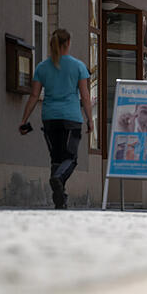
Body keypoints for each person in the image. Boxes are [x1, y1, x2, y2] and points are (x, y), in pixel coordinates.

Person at [19, 29, 93, 209]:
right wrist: (90, 120)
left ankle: (60, 200)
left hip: (50, 118)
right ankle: (58, 180)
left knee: (56, 159)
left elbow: (34, 96)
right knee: (71, 159)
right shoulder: (78, 66)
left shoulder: (42, 67)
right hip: (71, 118)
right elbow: (84, 96)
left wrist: (24, 120)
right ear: (67, 43)